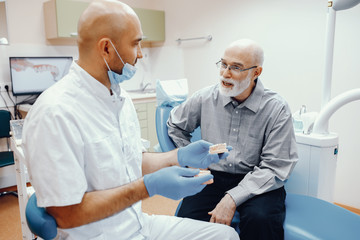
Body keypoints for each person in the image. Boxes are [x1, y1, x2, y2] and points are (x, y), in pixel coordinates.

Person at [22, 1, 239, 239]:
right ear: (106, 48)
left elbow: (131, 159)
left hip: (137, 224)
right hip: (100, 235)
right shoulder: (55, 113)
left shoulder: (118, 96)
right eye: (135, 43)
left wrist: (178, 157)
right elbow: (66, 214)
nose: (140, 54)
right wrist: (148, 187)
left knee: (226, 236)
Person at [167, 39, 298, 240]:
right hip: (213, 176)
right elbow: (175, 125)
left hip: (257, 179)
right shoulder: (205, 97)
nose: (225, 73)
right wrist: (191, 161)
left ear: (256, 72)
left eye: (236, 67)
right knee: (187, 223)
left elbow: (275, 166)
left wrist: (232, 198)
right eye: (223, 64)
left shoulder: (276, 108)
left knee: (260, 220)